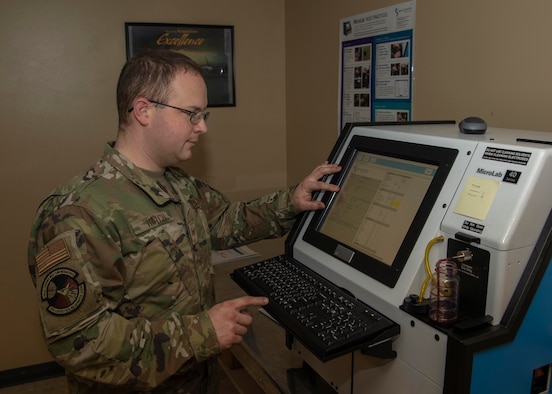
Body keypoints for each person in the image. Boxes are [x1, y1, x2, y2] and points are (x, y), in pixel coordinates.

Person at [27, 49, 341, 393]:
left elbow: (224, 221)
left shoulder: (178, 183)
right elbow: (81, 344)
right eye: (192, 114)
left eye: (203, 114)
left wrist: (292, 201)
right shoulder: (79, 213)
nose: (202, 127)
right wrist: (203, 332)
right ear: (144, 110)